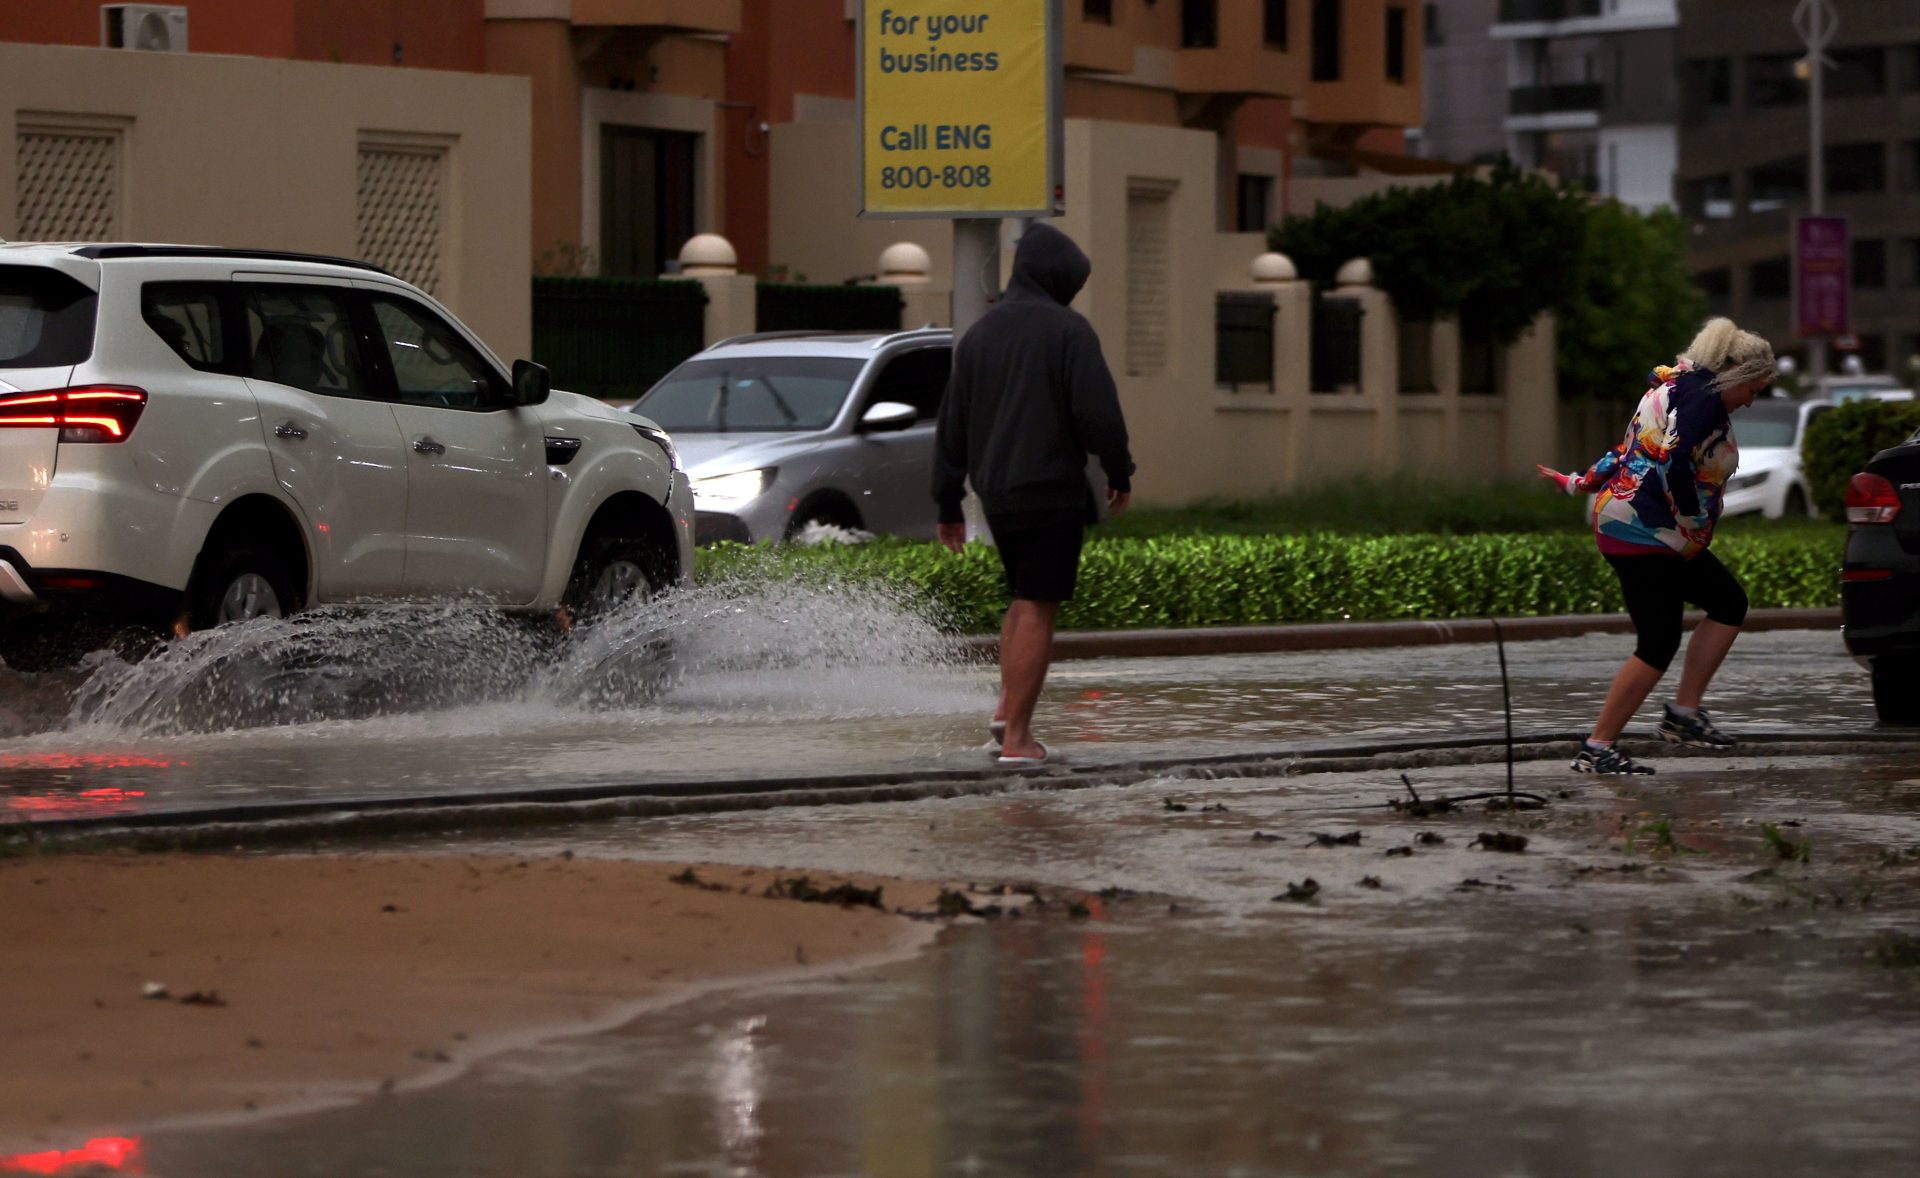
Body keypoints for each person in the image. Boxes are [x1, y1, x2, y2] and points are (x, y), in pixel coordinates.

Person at [934, 222, 1134, 767]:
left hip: (996, 492)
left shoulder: (981, 334)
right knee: (1038, 606)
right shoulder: (1068, 330)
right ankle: (1018, 737)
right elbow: (1098, 412)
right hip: (1049, 488)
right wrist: (1119, 469)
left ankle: (1006, 710)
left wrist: (947, 501)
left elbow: (952, 425)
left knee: (1023, 598)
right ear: (1058, 279)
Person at [1536, 317, 1774, 775]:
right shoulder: (1701, 401)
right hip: (1646, 532)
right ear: (1736, 375)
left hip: (1636, 525)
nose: (1750, 401)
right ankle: (1598, 747)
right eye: (1754, 390)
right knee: (1659, 639)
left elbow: (1630, 451)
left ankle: (1682, 717)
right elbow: (1673, 464)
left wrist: (1578, 483)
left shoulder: (1675, 387)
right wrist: (1691, 519)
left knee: (1726, 602)